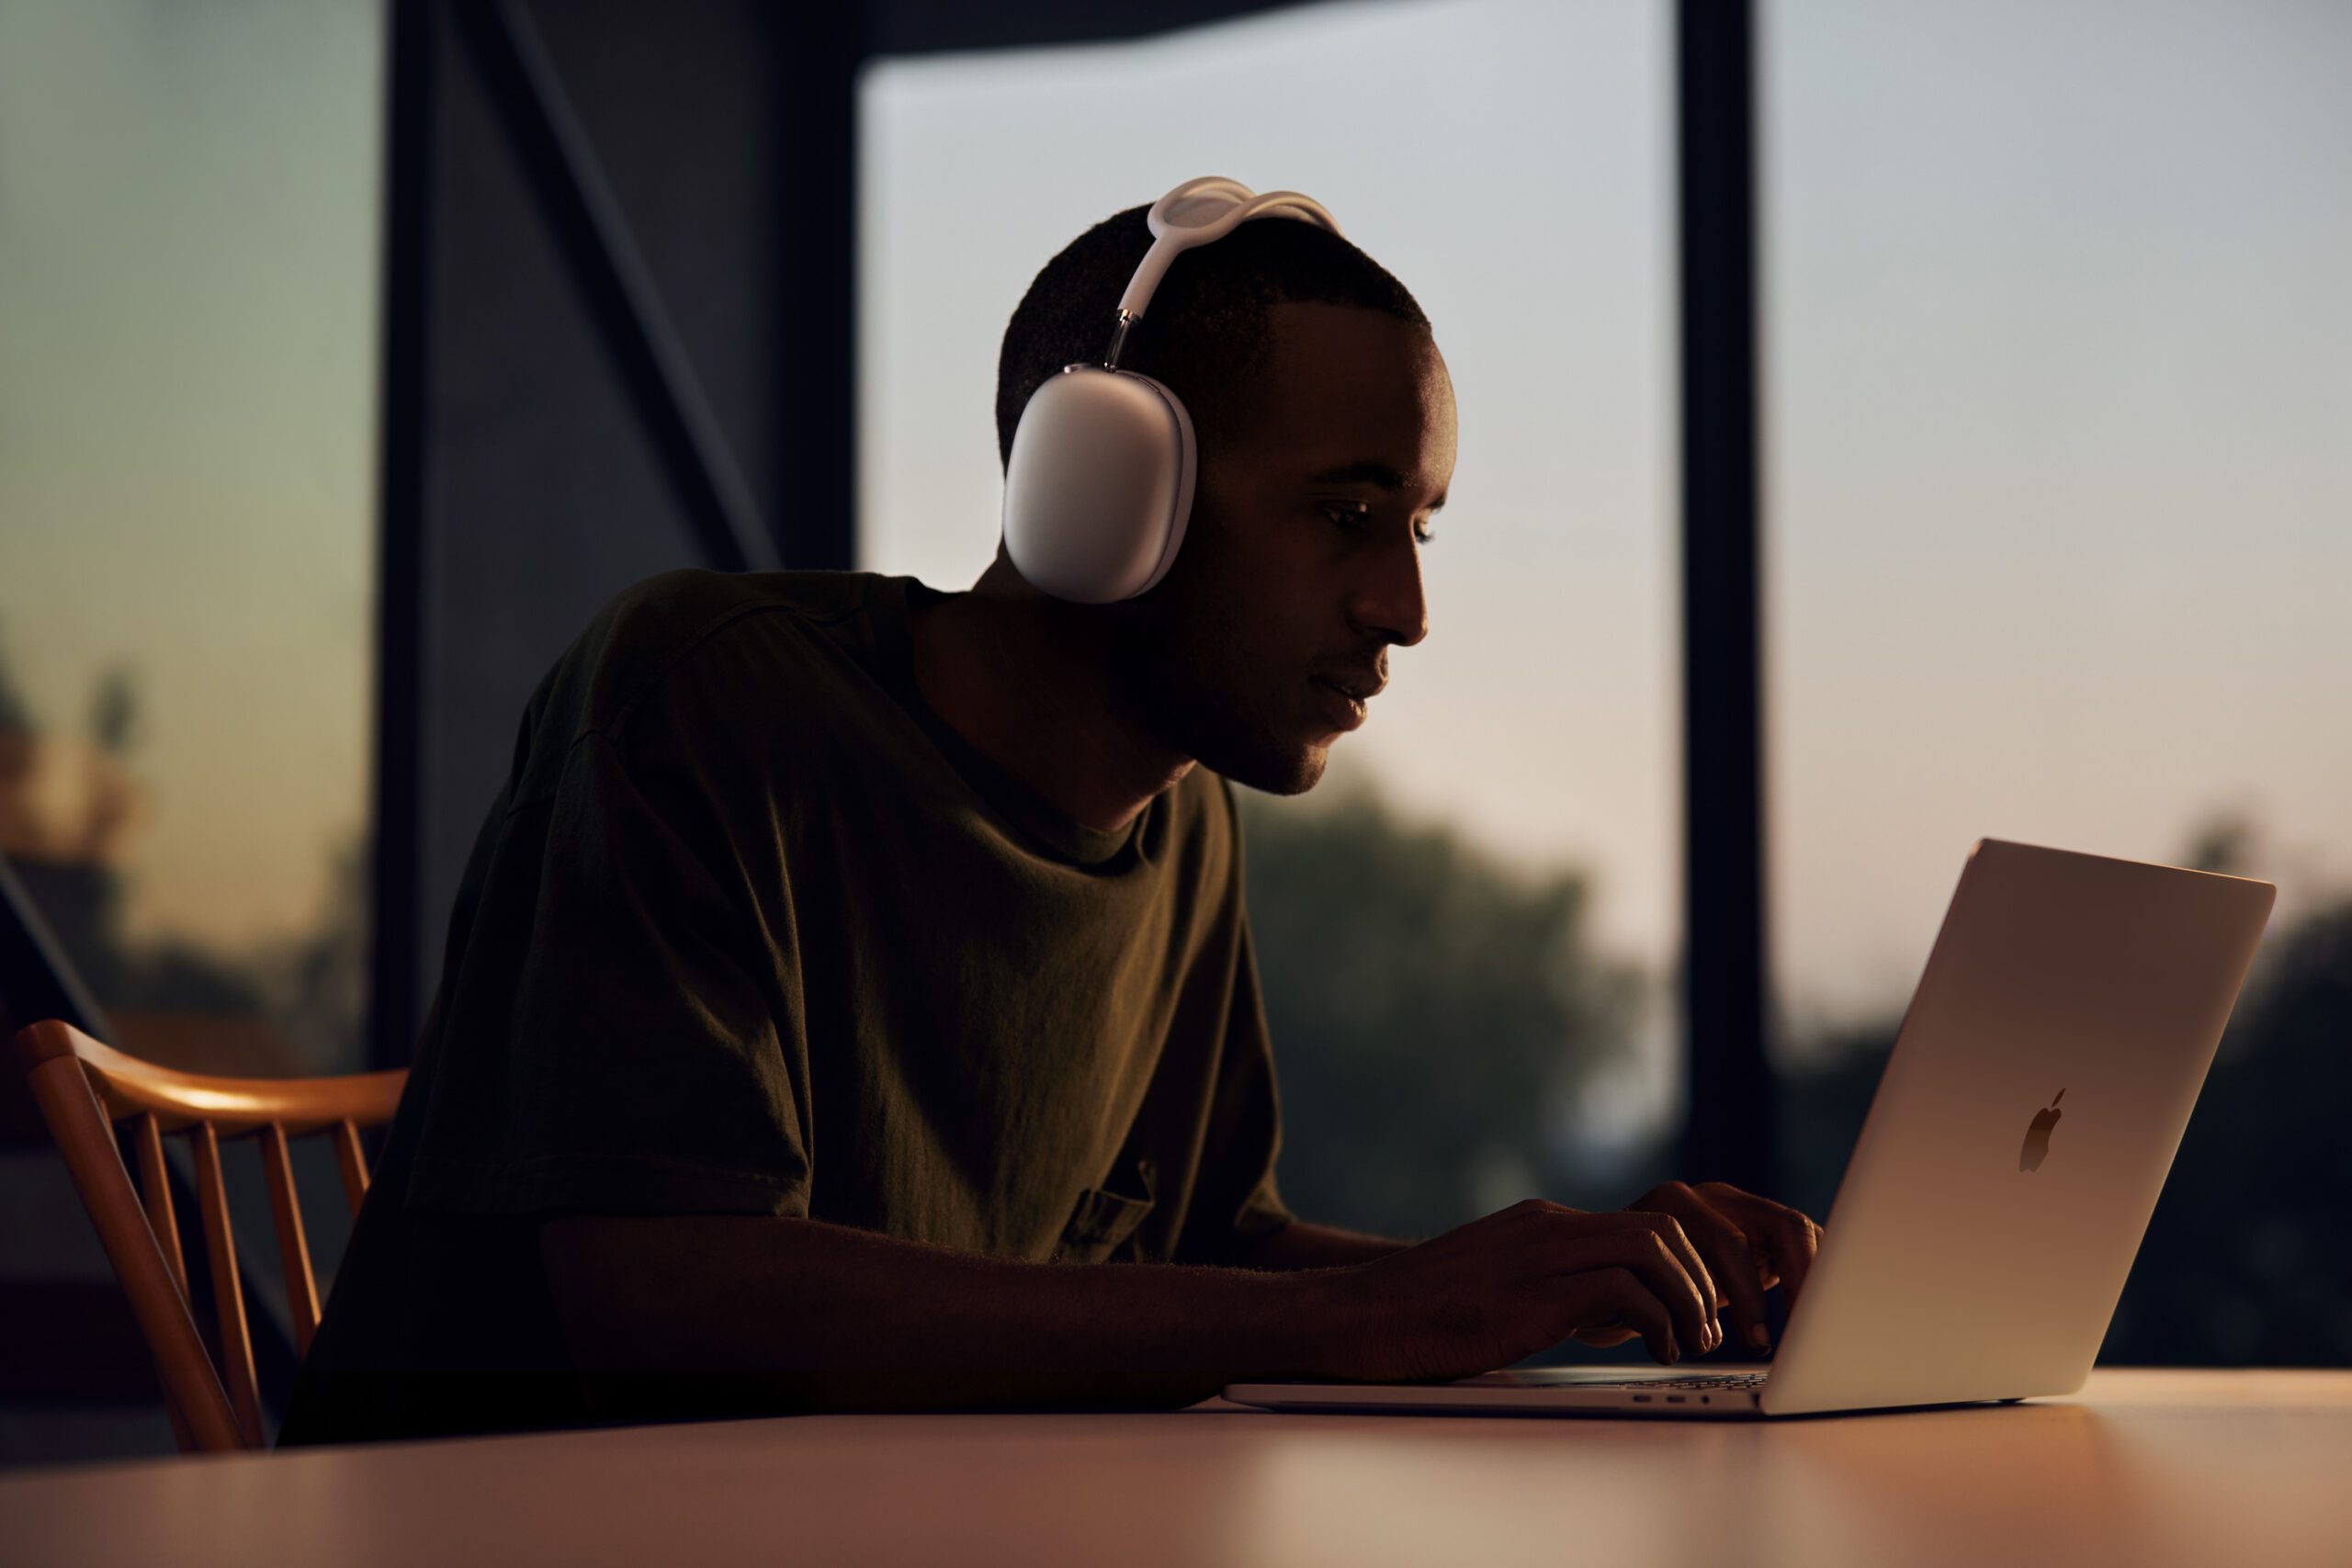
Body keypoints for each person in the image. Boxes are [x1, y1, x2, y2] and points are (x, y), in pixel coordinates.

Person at [281, 193, 1820, 1445]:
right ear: (1105, 484)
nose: (1405, 609)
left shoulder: (1185, 824)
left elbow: (1210, 1252)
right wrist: (1378, 1316)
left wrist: (1558, 1280)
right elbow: (664, 1291)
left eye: (1416, 527)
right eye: (1346, 516)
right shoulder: (707, 696)